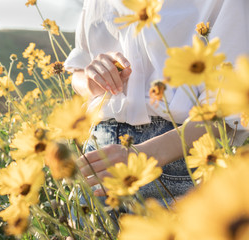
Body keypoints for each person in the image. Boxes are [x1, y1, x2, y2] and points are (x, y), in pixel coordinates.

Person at [64, 0, 249, 202]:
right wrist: (93, 80)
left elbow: (226, 108)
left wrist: (142, 155)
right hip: (98, 156)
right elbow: (78, 70)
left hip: (178, 157)